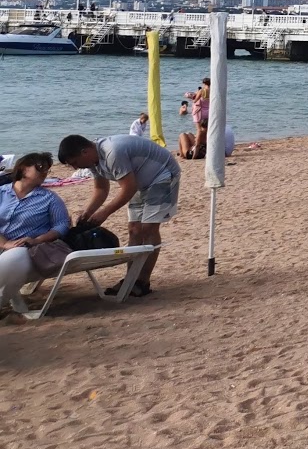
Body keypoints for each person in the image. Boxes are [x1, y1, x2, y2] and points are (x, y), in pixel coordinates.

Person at [57, 133, 182, 297]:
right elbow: (101, 189)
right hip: (141, 182)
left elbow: (128, 189)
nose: (75, 168)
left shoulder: (112, 152)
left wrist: (105, 213)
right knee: (134, 229)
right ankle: (131, 279)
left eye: (74, 163)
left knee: (149, 228)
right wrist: (88, 212)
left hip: (163, 174)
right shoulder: (94, 162)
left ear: (84, 152)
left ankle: (142, 281)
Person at [0, 152, 71, 316]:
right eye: (39, 168)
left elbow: (61, 226)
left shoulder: (49, 198)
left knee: (15, 257)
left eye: (47, 170)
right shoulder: (1, 193)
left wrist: (37, 239)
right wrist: (4, 243)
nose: (44, 173)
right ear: (24, 169)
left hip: (26, 248)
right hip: (3, 244)